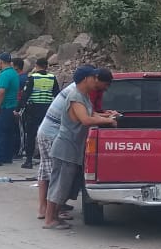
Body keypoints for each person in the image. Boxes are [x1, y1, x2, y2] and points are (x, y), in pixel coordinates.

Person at [43, 65, 118, 230]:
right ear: (86, 79)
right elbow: (86, 120)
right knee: (59, 184)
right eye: (93, 78)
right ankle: (49, 219)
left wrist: (107, 115)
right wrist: (107, 121)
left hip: (72, 147)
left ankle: (55, 216)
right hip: (65, 147)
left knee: (64, 184)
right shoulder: (75, 97)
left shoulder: (84, 97)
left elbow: (92, 114)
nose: (95, 81)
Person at [20, 57, 59, 170]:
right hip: (47, 110)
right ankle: (47, 158)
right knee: (47, 134)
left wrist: (18, 108)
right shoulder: (52, 78)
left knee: (31, 135)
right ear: (47, 66)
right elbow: (57, 94)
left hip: (33, 109)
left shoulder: (33, 77)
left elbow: (26, 94)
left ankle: (28, 160)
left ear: (36, 66)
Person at [0, 51, 21, 166]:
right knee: (8, 133)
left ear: (1, 61)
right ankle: (7, 156)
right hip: (11, 107)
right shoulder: (13, 73)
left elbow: (1, 91)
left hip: (5, 107)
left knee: (0, 132)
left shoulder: (5, 74)